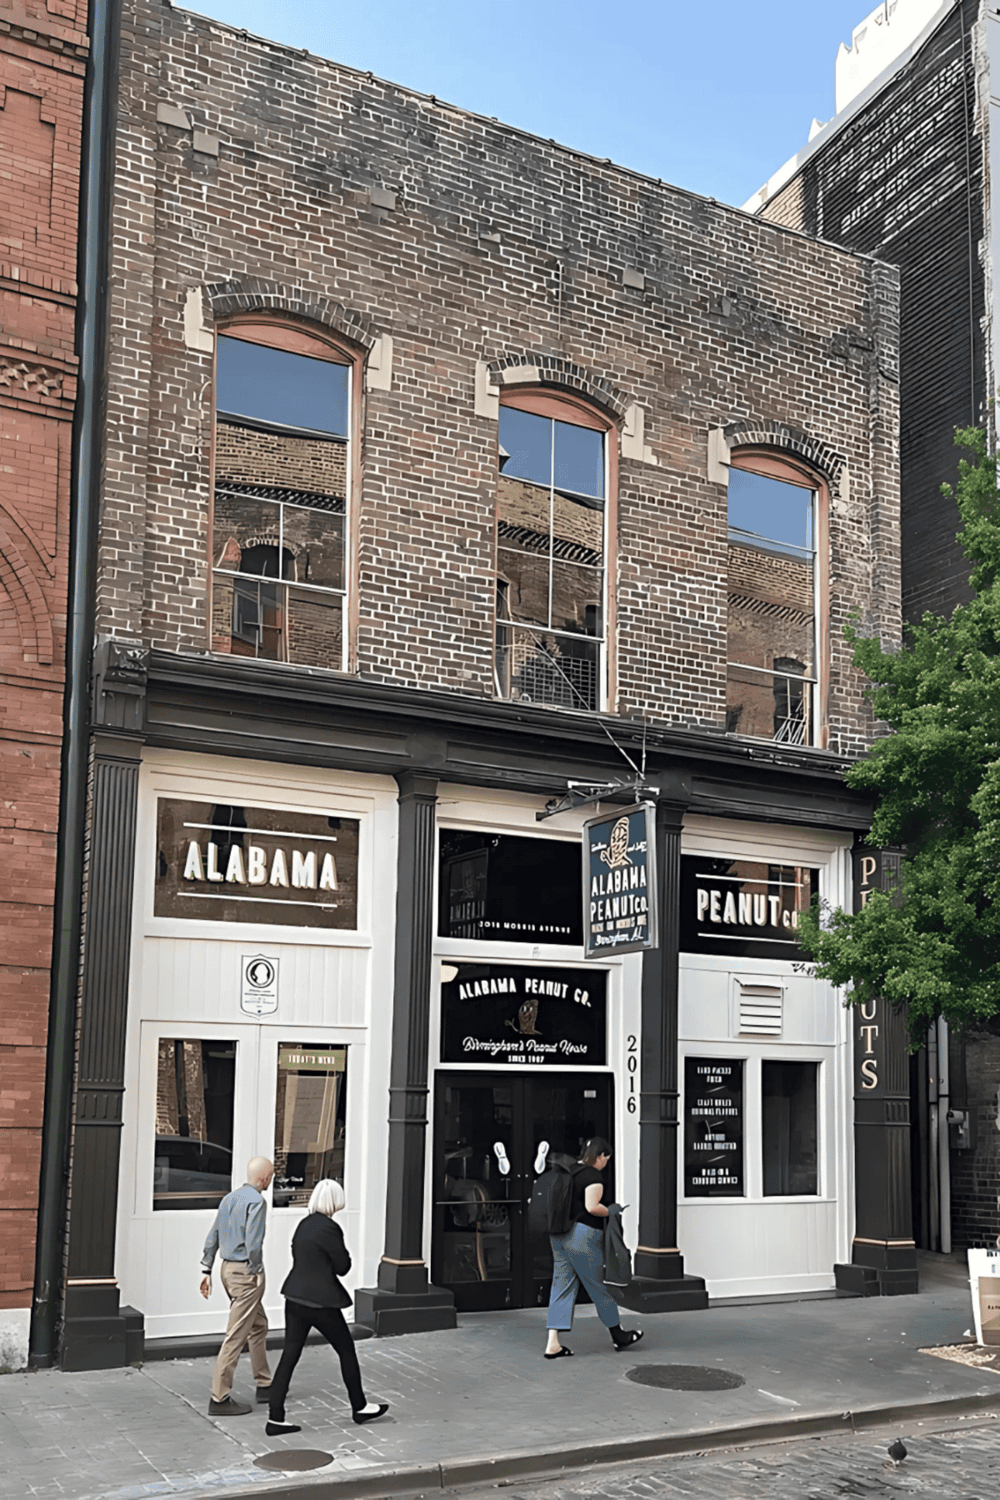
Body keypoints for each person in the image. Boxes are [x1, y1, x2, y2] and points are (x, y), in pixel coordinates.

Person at [265, 1179, 389, 1435]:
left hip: (294, 1296)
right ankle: (359, 1407)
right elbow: (343, 1266)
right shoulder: (330, 1228)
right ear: (335, 1201)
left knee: (290, 1355)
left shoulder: (304, 1224)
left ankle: (275, 1417)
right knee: (346, 1350)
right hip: (321, 1301)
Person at [544, 1136, 643, 1359]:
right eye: (606, 1158)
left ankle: (553, 1343)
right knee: (598, 1286)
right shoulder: (592, 1175)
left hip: (559, 1235)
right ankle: (618, 1335)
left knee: (561, 1286)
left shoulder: (568, 1171)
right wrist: (612, 1210)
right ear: (600, 1156)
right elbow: (592, 1207)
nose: (606, 1163)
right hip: (582, 1236)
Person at [200, 1155, 274, 1416]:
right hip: (245, 1273)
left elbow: (213, 1235)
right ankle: (219, 1397)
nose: (271, 1180)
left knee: (258, 1325)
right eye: (271, 1176)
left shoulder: (229, 1199)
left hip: (226, 1270)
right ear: (263, 1178)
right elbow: (253, 1243)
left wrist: (206, 1268)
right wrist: (257, 1270)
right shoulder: (257, 1202)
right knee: (236, 1335)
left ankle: (264, 1384)